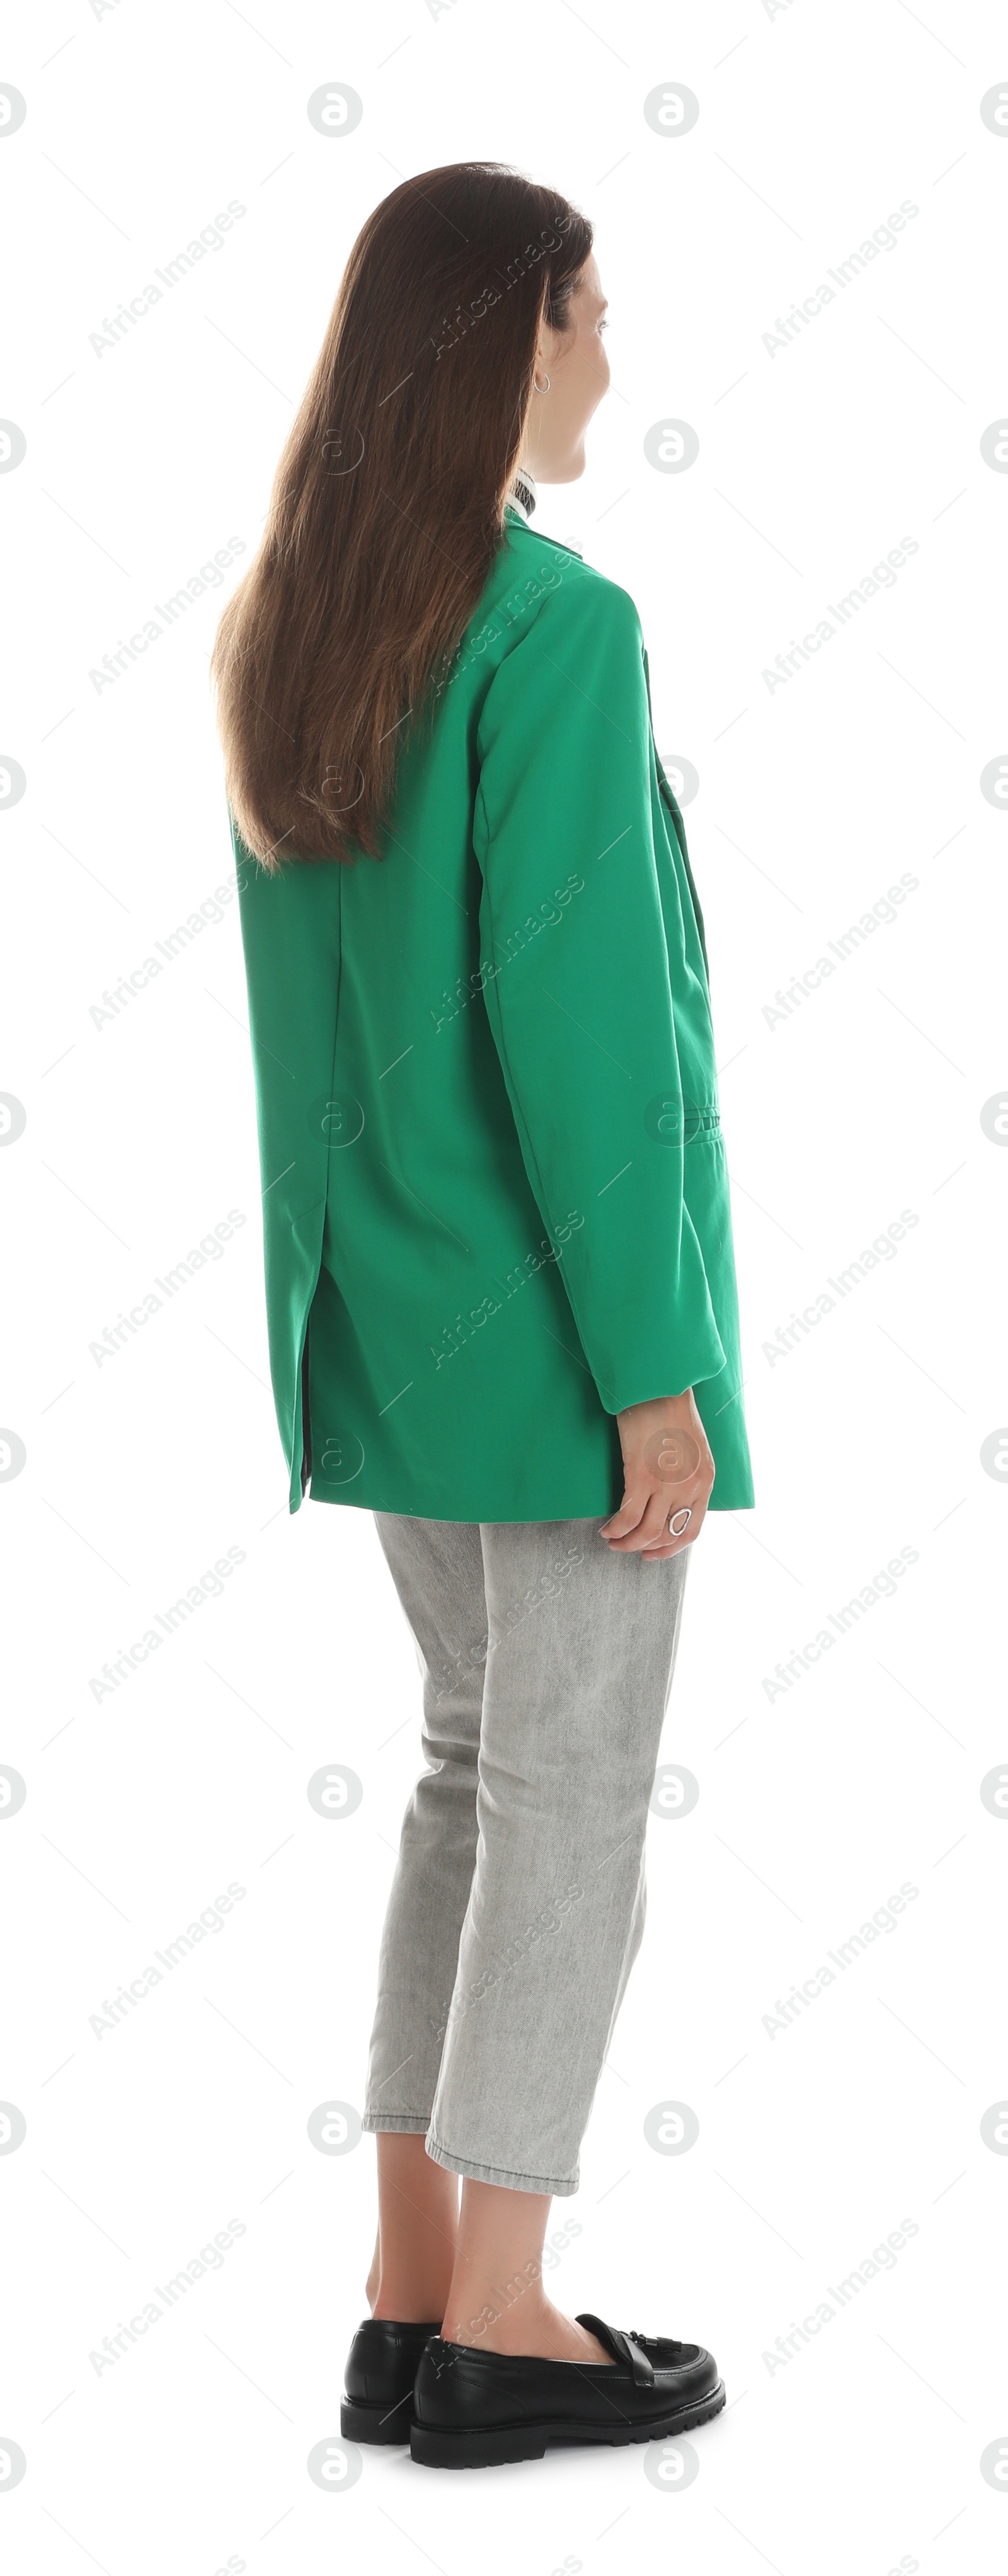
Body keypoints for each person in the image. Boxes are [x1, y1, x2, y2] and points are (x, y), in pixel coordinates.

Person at [212, 161, 753, 2472]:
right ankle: (509, 2315)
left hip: (377, 1320)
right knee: (574, 1800)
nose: (613, 355)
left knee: (466, 1768)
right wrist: (659, 1373)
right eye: (589, 315)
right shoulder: (555, 627)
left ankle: (412, 2283)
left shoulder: (299, 625)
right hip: (546, 1329)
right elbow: (587, 1042)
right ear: (507, 337)